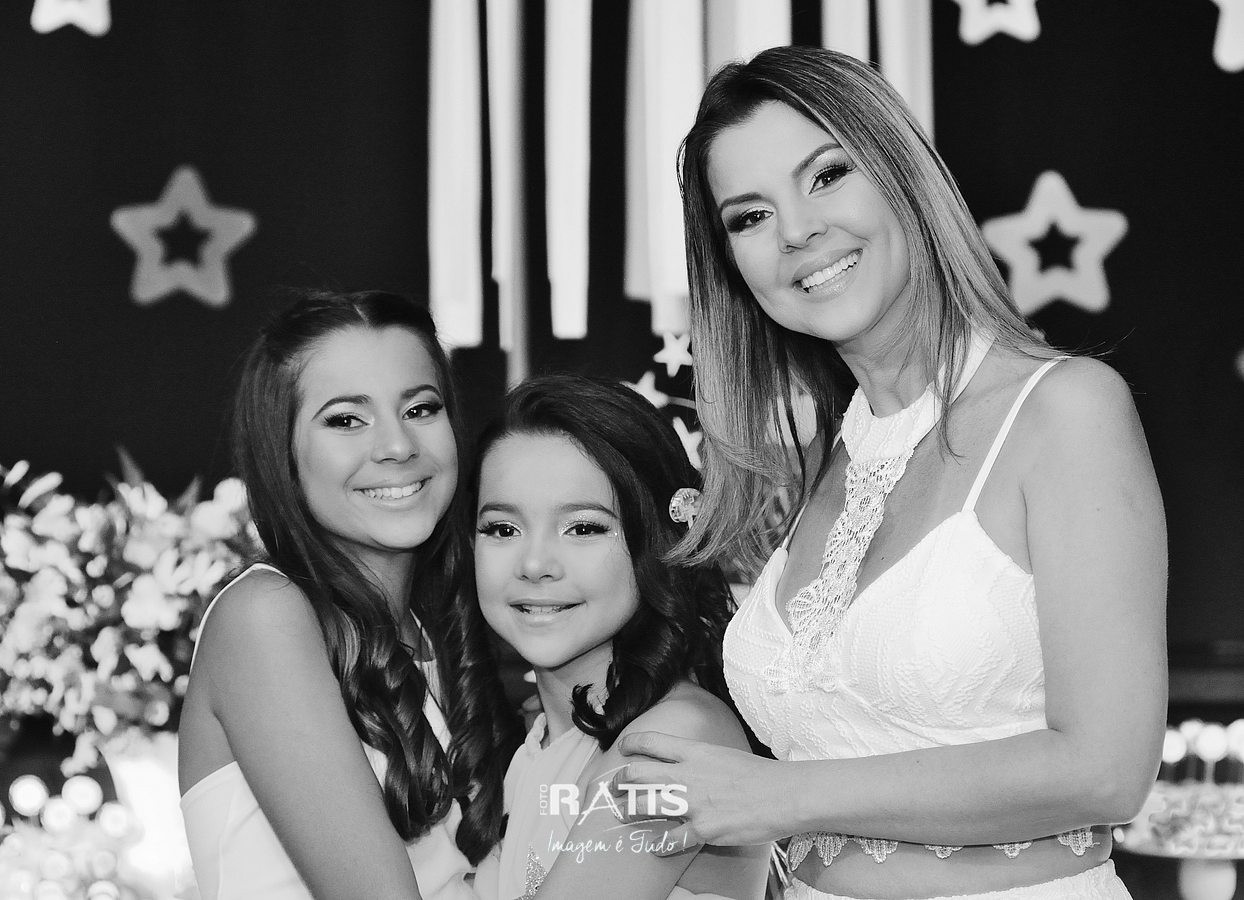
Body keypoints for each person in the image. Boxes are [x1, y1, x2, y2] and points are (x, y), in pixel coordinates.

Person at [614, 46, 1167, 900]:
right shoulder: (821, 460)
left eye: (827, 175)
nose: (797, 231)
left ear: (904, 173)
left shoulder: (1065, 410)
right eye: (750, 217)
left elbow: (1106, 770)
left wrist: (775, 797)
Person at [178, 290, 522, 899]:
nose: (398, 445)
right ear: (283, 452)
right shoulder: (266, 616)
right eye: (345, 419)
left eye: (420, 408)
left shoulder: (439, 629)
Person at [470, 375, 772, 900]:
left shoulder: (671, 743)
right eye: (502, 529)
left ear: (656, 540)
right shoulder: (541, 744)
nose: (535, 564)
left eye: (583, 528)